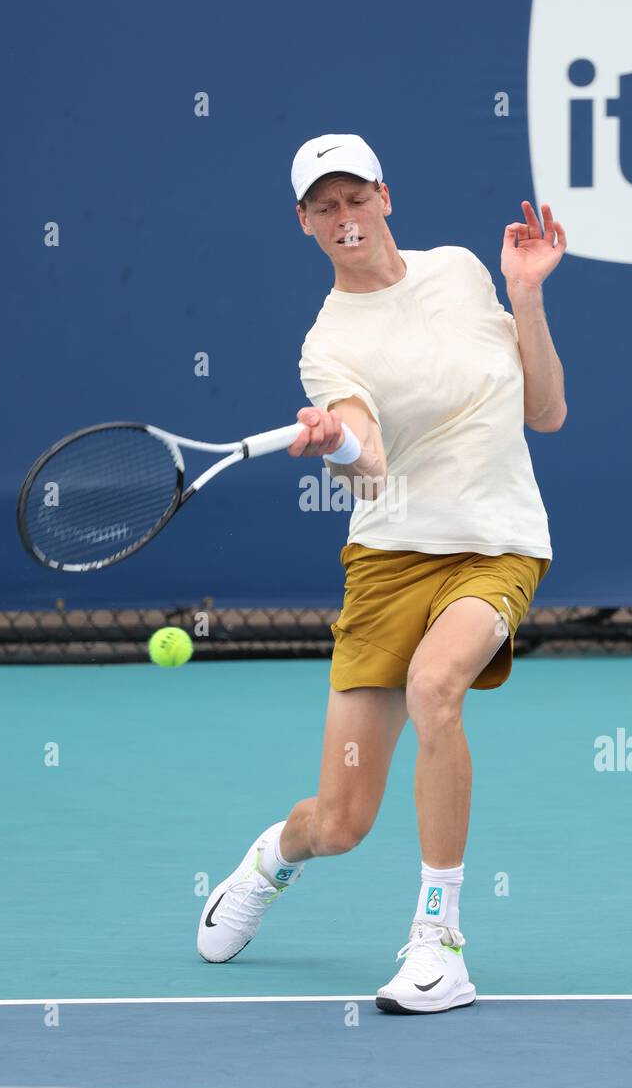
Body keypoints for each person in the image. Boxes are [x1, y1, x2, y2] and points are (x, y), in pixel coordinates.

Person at [197, 134, 567, 1013]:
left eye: (355, 197)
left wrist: (525, 296)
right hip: (390, 563)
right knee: (343, 821)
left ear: (385, 197)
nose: (344, 217)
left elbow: (545, 411)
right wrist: (341, 441)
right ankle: (272, 859)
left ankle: (438, 940)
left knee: (438, 685)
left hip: (497, 543)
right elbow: (369, 463)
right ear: (305, 224)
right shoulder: (327, 342)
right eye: (324, 206)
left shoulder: (467, 272)